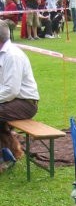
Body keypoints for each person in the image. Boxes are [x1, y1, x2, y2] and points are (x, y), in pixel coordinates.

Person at [0, 20, 40, 160]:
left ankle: (5, 155)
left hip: (25, 103)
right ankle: (9, 152)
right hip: (12, 100)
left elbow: (11, 90)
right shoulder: (3, 54)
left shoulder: (12, 56)